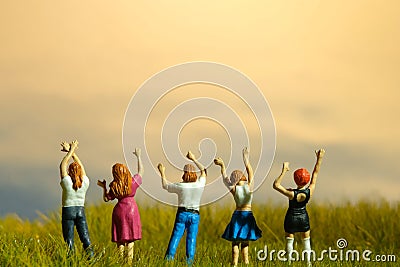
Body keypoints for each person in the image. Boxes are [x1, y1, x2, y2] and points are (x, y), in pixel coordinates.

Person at [273, 149, 325, 266]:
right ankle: (308, 263)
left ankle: (289, 262)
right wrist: (319, 159)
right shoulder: (309, 191)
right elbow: (315, 173)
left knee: (289, 242)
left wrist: (284, 171)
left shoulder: (291, 194)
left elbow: (276, 185)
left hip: (291, 218)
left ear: (295, 179)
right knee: (306, 242)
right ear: (307, 180)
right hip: (303, 218)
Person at [214, 147, 262, 266]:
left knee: (235, 241)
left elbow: (225, 179)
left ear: (234, 180)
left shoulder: (235, 189)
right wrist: (246, 159)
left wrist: (222, 166)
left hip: (237, 215)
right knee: (245, 242)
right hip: (248, 215)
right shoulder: (249, 187)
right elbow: (250, 171)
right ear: (243, 177)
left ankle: (234, 263)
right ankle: (246, 262)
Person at [157, 151, 207, 265]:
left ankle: (169, 259)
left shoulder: (180, 186)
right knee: (191, 239)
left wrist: (162, 172)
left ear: (184, 174)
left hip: (182, 214)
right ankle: (189, 262)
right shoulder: (199, 184)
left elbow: (165, 186)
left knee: (175, 236)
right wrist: (193, 158)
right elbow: (204, 171)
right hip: (195, 215)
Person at [97, 148, 143, 264]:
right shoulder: (132, 183)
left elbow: (106, 199)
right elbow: (141, 171)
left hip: (119, 211)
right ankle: (129, 262)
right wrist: (138, 157)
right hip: (131, 209)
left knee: (120, 238)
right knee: (131, 238)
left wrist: (104, 188)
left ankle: (119, 262)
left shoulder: (114, 186)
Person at [59, 140, 93, 257]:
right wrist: (72, 151)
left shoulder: (67, 182)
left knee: (69, 241)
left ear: (69, 171)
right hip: (80, 211)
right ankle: (91, 259)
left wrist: (70, 151)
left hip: (68, 211)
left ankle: (71, 261)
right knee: (85, 238)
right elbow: (82, 167)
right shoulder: (85, 182)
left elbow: (63, 165)